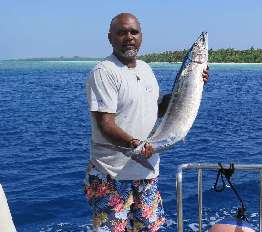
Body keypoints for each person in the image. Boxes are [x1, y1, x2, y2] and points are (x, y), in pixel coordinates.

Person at [84, 12, 208, 232]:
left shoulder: (145, 69)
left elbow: (160, 108)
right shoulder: (104, 72)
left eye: (134, 32)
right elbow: (106, 125)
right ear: (110, 37)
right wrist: (137, 145)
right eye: (121, 32)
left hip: (146, 174)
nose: (129, 37)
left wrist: (194, 83)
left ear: (141, 36)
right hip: (111, 175)